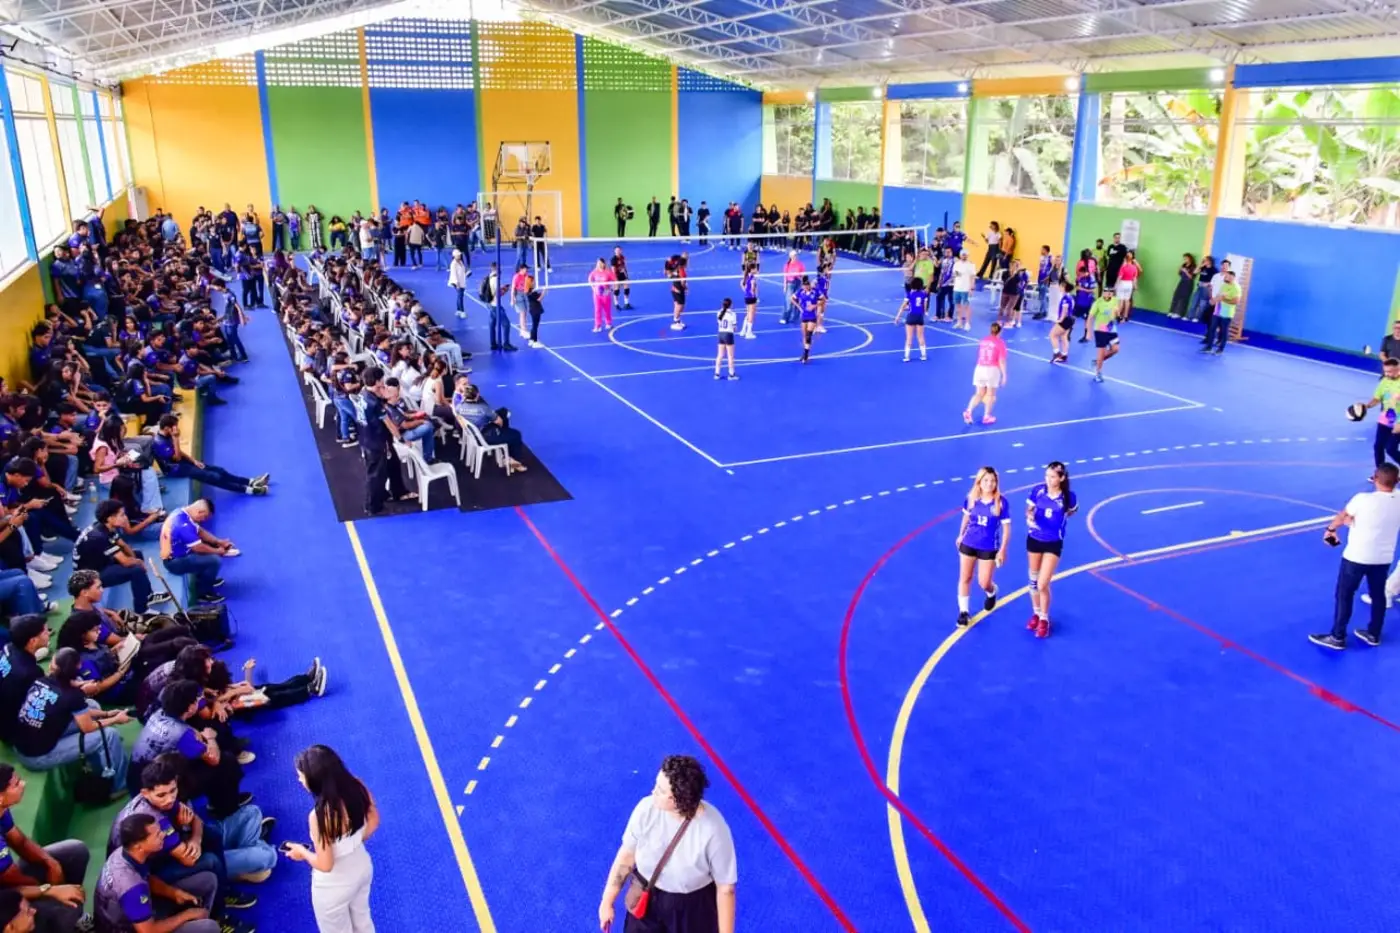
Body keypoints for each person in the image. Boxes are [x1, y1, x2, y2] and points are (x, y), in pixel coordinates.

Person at [597, 755, 736, 933]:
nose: (653, 792)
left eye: (661, 791)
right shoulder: (646, 808)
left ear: (680, 799)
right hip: (650, 898)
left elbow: (726, 889)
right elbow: (627, 856)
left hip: (690, 909)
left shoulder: (714, 829)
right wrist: (607, 900)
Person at [283, 746, 378, 933]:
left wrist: (302, 852)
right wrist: (351, 843)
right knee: (363, 921)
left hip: (333, 888)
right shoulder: (358, 786)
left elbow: (326, 864)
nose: (299, 780)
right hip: (361, 867)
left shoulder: (318, 817)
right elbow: (374, 820)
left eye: (301, 776)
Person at [12, 648, 131, 789]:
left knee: (91, 705)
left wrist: (107, 714)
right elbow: (88, 727)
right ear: (78, 667)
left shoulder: (41, 680)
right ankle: (119, 785)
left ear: (53, 666)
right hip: (36, 756)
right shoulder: (72, 696)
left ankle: (99, 761)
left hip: (27, 742)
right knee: (109, 735)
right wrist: (116, 719)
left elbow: (72, 703)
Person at [1312, 463, 1400, 650]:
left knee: (1345, 594)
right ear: (1397, 481)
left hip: (1356, 556)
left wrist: (1331, 529)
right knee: (1378, 595)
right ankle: (1374, 634)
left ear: (1375, 479)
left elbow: (1343, 515)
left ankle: (1337, 637)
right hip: (1383, 558)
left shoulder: (1362, 499)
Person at [0, 763, 90, 933]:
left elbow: (20, 842)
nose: (23, 784)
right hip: (4, 898)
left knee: (75, 852)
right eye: (16, 784)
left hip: (9, 885)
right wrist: (47, 889)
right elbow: (10, 882)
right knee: (65, 909)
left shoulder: (1, 810)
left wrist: (50, 863)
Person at [96, 813, 220, 933]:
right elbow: (149, 931)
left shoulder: (125, 853)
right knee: (209, 928)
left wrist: (174, 893)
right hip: (132, 928)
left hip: (140, 911)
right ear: (139, 846)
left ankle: (201, 917)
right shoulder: (130, 886)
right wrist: (187, 915)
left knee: (208, 880)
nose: (163, 835)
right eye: (157, 835)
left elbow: (146, 878)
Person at [75, 500, 167, 614]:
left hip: (99, 562)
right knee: (137, 570)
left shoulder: (106, 527)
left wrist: (136, 559)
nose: (125, 518)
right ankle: (142, 610)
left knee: (137, 555)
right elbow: (125, 562)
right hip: (91, 576)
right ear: (110, 518)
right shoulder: (99, 536)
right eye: (122, 515)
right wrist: (139, 563)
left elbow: (123, 545)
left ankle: (148, 595)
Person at [1025, 462, 1077, 639]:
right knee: (1033, 581)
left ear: (1061, 478)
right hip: (1034, 539)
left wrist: (1058, 523)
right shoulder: (1038, 491)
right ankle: (1036, 613)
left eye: (1052, 477)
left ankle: (1044, 619)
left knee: (1042, 583)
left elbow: (1071, 511)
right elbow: (1029, 509)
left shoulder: (1068, 497)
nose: (1048, 479)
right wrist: (1030, 517)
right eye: (1047, 475)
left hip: (1053, 543)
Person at [152, 417, 267, 496]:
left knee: (219, 470)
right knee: (214, 477)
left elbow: (179, 452)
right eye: (175, 427)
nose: (177, 429)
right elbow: (176, 457)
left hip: (181, 463)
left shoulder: (167, 435)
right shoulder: (160, 443)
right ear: (167, 428)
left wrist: (194, 461)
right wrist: (176, 438)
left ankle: (251, 481)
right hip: (174, 469)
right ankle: (250, 490)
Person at [955, 467, 1010, 628]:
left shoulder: (1000, 502)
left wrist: (1002, 549)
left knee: (984, 582)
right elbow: (966, 517)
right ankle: (963, 612)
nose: (989, 484)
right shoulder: (971, 499)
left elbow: (1006, 528)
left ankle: (991, 592)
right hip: (969, 542)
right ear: (979, 482)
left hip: (988, 546)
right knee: (965, 578)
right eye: (986, 480)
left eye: (992, 481)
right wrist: (960, 535)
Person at [160, 500, 236, 606]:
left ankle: (206, 579)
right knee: (214, 560)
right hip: (174, 562)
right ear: (200, 512)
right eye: (204, 517)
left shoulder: (182, 513)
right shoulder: (183, 525)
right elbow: (198, 548)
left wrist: (218, 542)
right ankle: (204, 594)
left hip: (179, 552)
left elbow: (200, 531)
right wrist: (218, 551)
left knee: (211, 547)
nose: (203, 520)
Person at [1360, 357, 1400, 471]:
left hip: (1398, 421)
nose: (1387, 374)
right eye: (1385, 371)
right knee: (1378, 446)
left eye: (1390, 372)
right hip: (1386, 418)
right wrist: (1366, 406)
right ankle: (1380, 473)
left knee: (1391, 449)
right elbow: (1377, 398)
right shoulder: (1384, 381)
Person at [964, 322, 1008, 425]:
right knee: (990, 394)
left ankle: (968, 411)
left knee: (979, 393)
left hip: (979, 368)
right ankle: (987, 416)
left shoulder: (983, 340)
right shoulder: (1000, 343)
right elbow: (1001, 361)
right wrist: (1004, 375)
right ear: (1000, 331)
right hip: (992, 370)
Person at [1203, 269, 1240, 355]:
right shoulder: (1224, 285)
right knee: (1212, 329)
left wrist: (1224, 299)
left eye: (1226, 276)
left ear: (1232, 277)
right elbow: (1219, 296)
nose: (1225, 277)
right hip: (1217, 311)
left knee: (1223, 331)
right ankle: (1209, 347)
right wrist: (1214, 300)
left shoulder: (1236, 288)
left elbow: (1235, 301)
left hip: (1226, 313)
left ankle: (1220, 349)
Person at [1089, 289, 1120, 384]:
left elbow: (1117, 316)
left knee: (1115, 349)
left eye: (1110, 292)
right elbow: (1090, 318)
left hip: (1111, 329)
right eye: (1106, 292)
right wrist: (1088, 332)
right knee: (1101, 352)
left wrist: (1118, 314)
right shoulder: (1098, 303)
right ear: (1103, 293)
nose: (1108, 294)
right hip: (1100, 330)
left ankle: (1097, 362)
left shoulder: (1115, 300)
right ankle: (1098, 374)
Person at [895, 277, 928, 363]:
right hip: (920, 317)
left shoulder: (910, 294)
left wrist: (898, 317)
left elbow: (903, 307)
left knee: (909, 337)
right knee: (920, 336)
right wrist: (924, 314)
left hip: (911, 316)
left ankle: (907, 357)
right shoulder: (924, 294)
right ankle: (923, 355)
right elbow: (924, 307)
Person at [791, 277, 820, 364]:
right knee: (804, 335)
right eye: (804, 285)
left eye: (807, 285)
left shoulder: (815, 292)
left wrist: (814, 306)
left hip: (812, 316)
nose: (806, 287)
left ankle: (806, 355)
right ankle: (805, 353)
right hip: (804, 316)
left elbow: (823, 300)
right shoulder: (800, 292)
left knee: (808, 335)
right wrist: (799, 308)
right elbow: (792, 298)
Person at [1049, 279, 1075, 364]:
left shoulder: (1065, 298)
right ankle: (1064, 355)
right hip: (1070, 319)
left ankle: (1057, 353)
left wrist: (1060, 320)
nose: (1059, 287)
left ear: (1064, 287)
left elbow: (1065, 310)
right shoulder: (1070, 296)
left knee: (1052, 335)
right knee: (1064, 337)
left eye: (1060, 286)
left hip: (1065, 320)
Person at [714, 299, 738, 382]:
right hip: (728, 334)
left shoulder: (719, 312)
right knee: (730, 356)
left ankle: (717, 373)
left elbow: (719, 322)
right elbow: (734, 327)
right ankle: (731, 374)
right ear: (730, 305)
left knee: (720, 355)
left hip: (721, 334)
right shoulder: (732, 314)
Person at [588, 260, 616, 334]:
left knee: (607, 310)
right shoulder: (594, 272)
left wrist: (610, 290)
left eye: (601, 263)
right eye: (598, 263)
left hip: (606, 295)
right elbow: (590, 279)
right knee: (597, 310)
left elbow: (615, 281)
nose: (599, 264)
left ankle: (608, 323)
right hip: (597, 295)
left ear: (604, 264)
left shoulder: (608, 272)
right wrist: (593, 288)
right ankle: (598, 326)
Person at [952, 250, 976, 331]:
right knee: (957, 306)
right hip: (957, 288)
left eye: (965, 255)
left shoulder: (971, 265)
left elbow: (972, 277)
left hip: (966, 289)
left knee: (966, 306)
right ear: (960, 255)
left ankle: (967, 323)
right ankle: (959, 322)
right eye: (963, 255)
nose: (964, 256)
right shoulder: (956, 264)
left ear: (967, 255)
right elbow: (955, 274)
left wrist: (971, 288)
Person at [738, 265, 758, 340]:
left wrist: (746, 292)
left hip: (746, 297)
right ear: (752, 269)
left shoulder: (745, 277)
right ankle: (748, 333)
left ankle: (743, 331)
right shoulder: (752, 278)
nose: (756, 270)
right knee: (751, 315)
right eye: (755, 268)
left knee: (748, 314)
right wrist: (754, 295)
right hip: (751, 298)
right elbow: (752, 288)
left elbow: (742, 284)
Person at [447, 250, 469, 320]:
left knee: (460, 296)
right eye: (458, 255)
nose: (459, 256)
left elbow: (463, 270)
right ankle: (462, 311)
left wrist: (467, 273)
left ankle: (458, 310)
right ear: (454, 256)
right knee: (460, 296)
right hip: (457, 283)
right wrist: (457, 284)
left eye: (459, 255)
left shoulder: (460, 262)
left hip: (461, 281)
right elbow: (454, 275)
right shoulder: (453, 264)